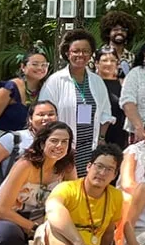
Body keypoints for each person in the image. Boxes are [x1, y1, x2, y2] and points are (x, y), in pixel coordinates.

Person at [0, 122, 76, 245]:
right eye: (54, 141)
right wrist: (35, 228)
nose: (59, 146)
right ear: (42, 143)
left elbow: (73, 202)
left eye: (64, 142)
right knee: (6, 236)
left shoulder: (67, 167)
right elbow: (1, 211)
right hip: (6, 220)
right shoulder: (25, 165)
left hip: (46, 222)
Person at [40, 29, 115, 177]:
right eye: (76, 51)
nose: (81, 55)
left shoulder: (96, 81)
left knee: (85, 188)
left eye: (85, 51)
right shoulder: (56, 81)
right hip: (63, 148)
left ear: (91, 54)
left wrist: (101, 139)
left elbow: (106, 113)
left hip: (90, 147)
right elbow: (45, 115)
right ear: (68, 53)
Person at [33, 143, 125, 245]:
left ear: (115, 175)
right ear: (88, 167)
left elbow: (108, 232)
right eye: (99, 166)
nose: (102, 173)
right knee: (49, 227)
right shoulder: (67, 188)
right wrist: (77, 241)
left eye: (109, 169)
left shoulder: (116, 196)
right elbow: (53, 210)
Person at [0, 101, 59, 216]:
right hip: (10, 207)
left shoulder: (63, 143)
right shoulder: (14, 139)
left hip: (48, 209)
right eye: (40, 114)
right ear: (30, 118)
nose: (46, 118)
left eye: (51, 114)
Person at [0, 47, 49, 168]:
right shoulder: (9, 88)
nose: (40, 68)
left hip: (19, 142)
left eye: (44, 65)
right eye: (35, 64)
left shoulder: (45, 89)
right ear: (23, 67)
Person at [95, 48, 128, 149]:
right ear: (97, 63)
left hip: (119, 138)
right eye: (104, 60)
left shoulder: (125, 85)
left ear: (118, 64)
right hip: (95, 137)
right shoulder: (91, 83)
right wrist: (100, 137)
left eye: (113, 60)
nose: (109, 64)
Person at [98, 10, 137, 76]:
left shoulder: (132, 58)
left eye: (123, 30)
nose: (120, 32)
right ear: (108, 32)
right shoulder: (97, 55)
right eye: (115, 29)